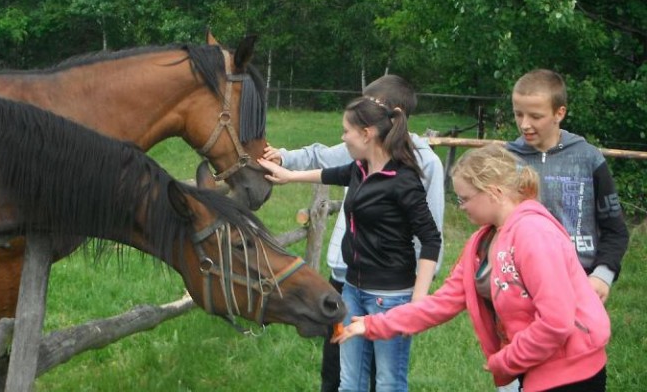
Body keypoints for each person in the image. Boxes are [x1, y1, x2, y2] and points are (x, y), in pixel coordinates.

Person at [334, 144, 611, 391]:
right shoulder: (482, 243)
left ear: (493, 192)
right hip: (535, 370)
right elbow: (442, 303)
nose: (462, 207)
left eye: (464, 198)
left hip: (572, 375)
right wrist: (375, 324)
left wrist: (506, 359)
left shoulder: (534, 233)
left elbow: (556, 321)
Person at [261, 75, 445, 392]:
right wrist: (287, 168)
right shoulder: (359, 164)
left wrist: (417, 298)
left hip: (390, 291)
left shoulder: (414, 170)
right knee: (344, 377)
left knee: (386, 378)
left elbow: (431, 236)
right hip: (349, 283)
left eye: (353, 125)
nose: (345, 135)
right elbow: (325, 166)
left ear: (372, 128)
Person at [506, 68, 629, 303]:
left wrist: (602, 276)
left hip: (579, 284)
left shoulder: (589, 159)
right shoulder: (503, 160)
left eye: (535, 116)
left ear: (559, 113)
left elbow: (616, 231)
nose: (525, 124)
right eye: (518, 114)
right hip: (518, 287)